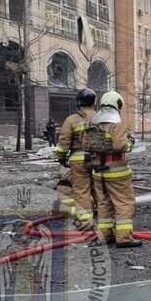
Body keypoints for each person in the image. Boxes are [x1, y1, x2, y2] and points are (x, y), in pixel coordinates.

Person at [84, 91, 141, 248]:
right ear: (117, 104)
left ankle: (105, 236)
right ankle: (124, 238)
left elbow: (85, 145)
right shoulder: (117, 124)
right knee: (124, 203)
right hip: (117, 171)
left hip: (98, 171)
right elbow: (120, 146)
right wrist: (130, 143)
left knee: (103, 203)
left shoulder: (93, 123)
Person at [55, 88, 96, 230]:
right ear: (94, 101)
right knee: (100, 190)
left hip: (78, 160)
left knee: (82, 191)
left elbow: (64, 142)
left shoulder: (71, 120)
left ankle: (86, 223)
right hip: (98, 160)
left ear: (78, 102)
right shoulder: (101, 118)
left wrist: (61, 158)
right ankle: (106, 222)